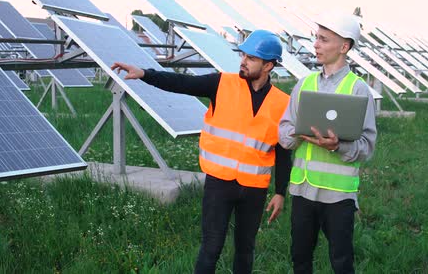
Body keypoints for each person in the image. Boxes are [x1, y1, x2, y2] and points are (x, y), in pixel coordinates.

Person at [111, 29, 292, 274]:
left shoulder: (283, 102)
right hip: (219, 183)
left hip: (255, 188)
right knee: (211, 248)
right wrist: (145, 73)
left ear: (268, 65)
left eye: (251, 58)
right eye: (243, 55)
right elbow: (181, 83)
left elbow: (283, 151)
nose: (243, 61)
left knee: (245, 249)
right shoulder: (222, 83)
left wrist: (280, 192)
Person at [278, 12, 377, 274]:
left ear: (344, 47)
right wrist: (298, 134)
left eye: (324, 40)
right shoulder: (304, 84)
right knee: (300, 259)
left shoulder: (357, 89)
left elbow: (366, 145)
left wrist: (337, 146)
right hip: (302, 191)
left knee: (342, 262)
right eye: (316, 38)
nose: (316, 45)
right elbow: (284, 132)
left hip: (338, 195)